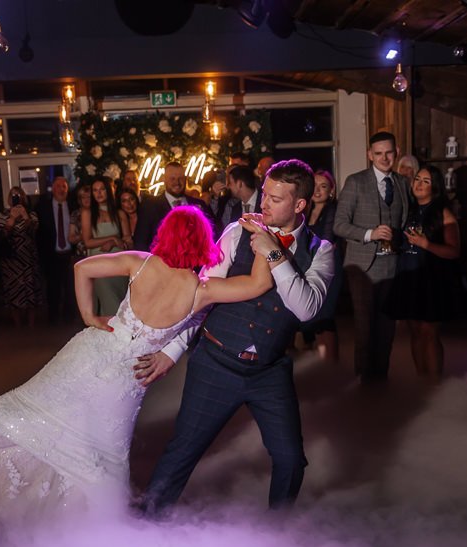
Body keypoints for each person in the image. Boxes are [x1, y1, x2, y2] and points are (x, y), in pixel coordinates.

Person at [0, 207, 276, 516]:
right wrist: (261, 235)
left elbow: (81, 268)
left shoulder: (139, 262)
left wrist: (89, 316)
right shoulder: (201, 291)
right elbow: (259, 285)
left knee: (28, 414)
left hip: (89, 354)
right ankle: (94, 535)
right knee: (101, 457)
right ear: (201, 241)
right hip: (124, 382)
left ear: (165, 235)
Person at [137, 160, 335, 513]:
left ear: (299, 205)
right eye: (265, 195)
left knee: (291, 459)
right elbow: (201, 296)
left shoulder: (322, 251)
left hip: (268, 371)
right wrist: (172, 351)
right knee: (183, 450)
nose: (264, 205)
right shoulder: (235, 232)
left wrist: (273, 252)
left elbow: (306, 310)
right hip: (215, 361)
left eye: (275, 199)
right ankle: (146, 525)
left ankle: (280, 532)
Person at [334, 131, 410, 382]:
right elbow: (340, 225)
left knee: (387, 327)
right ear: (370, 155)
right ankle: (363, 381)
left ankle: (381, 378)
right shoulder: (355, 182)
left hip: (391, 263)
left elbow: (404, 220)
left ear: (396, 151)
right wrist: (370, 233)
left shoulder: (401, 182)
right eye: (378, 153)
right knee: (365, 326)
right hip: (361, 265)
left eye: (388, 152)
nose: (384, 158)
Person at [386, 164, 462, 379]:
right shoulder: (408, 209)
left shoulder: (443, 212)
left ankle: (434, 383)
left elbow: (454, 251)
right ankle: (422, 379)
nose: (419, 184)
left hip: (432, 277)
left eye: (425, 181)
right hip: (408, 274)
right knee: (415, 331)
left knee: (429, 333)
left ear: (434, 187)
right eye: (417, 179)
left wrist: (424, 243)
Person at [297, 168, 343, 361]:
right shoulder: (304, 211)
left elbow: (327, 241)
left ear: (331, 191)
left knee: (324, 318)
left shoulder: (333, 209)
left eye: (323, 186)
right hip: (306, 267)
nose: (317, 190)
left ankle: (330, 368)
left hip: (327, 269)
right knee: (306, 318)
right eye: (314, 186)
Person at [133, 163, 211, 251]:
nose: (177, 182)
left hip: (196, 263)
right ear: (164, 179)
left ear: (185, 179)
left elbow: (213, 235)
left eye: (180, 178)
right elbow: (140, 242)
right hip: (161, 263)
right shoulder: (149, 206)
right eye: (172, 179)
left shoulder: (199, 204)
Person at [0, 185, 42, 328]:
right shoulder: (2, 215)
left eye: (19, 195)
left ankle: (31, 324)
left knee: (31, 289)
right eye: (13, 195)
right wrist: (12, 219)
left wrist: (25, 216)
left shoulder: (31, 214)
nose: (16, 197)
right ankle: (17, 324)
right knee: (13, 291)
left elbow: (35, 231)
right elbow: (1, 235)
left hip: (29, 258)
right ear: (9, 199)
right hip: (11, 261)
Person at [82, 178, 129, 317]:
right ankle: (114, 332)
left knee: (121, 302)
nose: (98, 193)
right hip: (99, 265)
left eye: (102, 189)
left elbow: (128, 241)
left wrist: (115, 242)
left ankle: (121, 334)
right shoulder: (88, 213)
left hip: (119, 264)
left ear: (108, 191)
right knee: (110, 304)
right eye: (95, 190)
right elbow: (87, 242)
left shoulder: (119, 213)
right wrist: (112, 238)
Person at [33, 176, 75, 324]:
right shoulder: (43, 207)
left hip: (70, 253)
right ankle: (54, 317)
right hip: (51, 254)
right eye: (58, 186)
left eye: (64, 186)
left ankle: (70, 316)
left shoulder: (73, 206)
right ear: (53, 189)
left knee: (71, 286)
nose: (61, 189)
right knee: (53, 287)